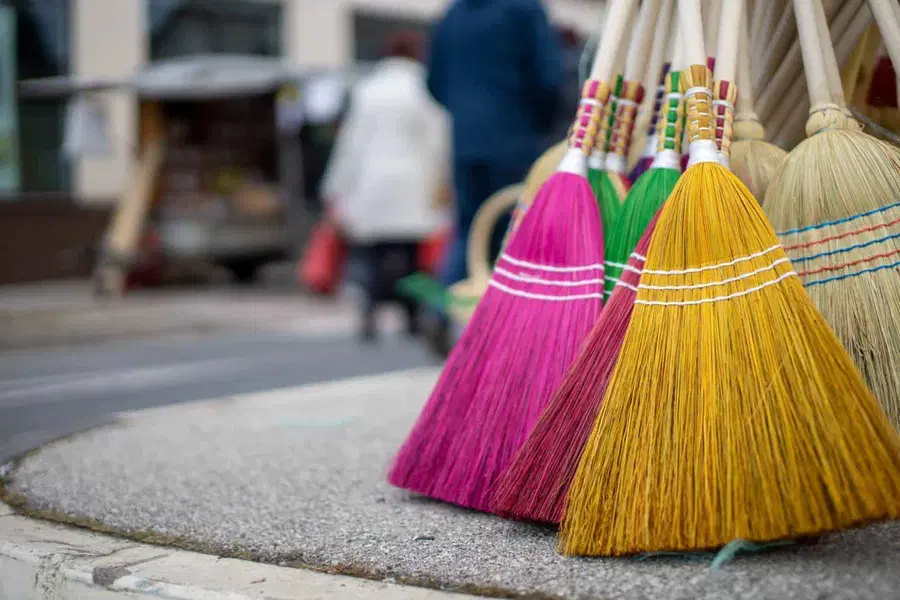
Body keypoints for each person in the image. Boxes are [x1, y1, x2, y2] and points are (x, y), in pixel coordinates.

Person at [424, 0, 564, 355]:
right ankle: (513, 335)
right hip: (518, 140)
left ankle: (443, 310)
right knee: (518, 236)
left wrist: (467, 112)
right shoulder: (524, 9)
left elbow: (433, 82)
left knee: (470, 231)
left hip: (465, 144)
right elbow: (547, 78)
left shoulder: (453, 14)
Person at [321, 33, 450, 342]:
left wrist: (336, 188)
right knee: (409, 256)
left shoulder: (367, 89)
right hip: (413, 182)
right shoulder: (424, 87)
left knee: (374, 255)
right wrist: (445, 179)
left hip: (372, 183)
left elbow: (351, 143)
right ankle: (411, 314)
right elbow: (437, 139)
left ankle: (370, 310)